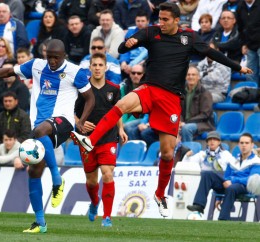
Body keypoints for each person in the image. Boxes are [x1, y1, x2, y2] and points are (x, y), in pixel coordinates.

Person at [70, 2, 252, 218]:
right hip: (149, 88)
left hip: (171, 98)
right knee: (120, 104)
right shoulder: (151, 32)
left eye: (166, 19)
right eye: (160, 19)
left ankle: (159, 194)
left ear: (177, 20)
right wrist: (130, 43)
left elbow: (212, 54)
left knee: (167, 152)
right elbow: (122, 49)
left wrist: (237, 66)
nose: (161, 23)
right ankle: (90, 140)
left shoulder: (189, 38)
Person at [0, 39, 95, 233]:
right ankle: (40, 223)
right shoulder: (36, 65)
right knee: (33, 171)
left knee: (39, 131)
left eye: (56, 58)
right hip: (41, 128)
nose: (51, 61)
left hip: (63, 122)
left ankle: (57, 179)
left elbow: (90, 98)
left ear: (64, 56)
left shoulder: (75, 72)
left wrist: (81, 122)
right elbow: (8, 72)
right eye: (49, 57)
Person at [74, 53, 127, 227]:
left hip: (108, 137)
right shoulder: (82, 89)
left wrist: (121, 129)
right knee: (91, 180)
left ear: (106, 68)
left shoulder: (114, 89)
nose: (97, 68)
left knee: (108, 173)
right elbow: (72, 112)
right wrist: (80, 124)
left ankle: (107, 216)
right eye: (94, 65)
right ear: (90, 67)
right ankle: (95, 202)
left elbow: (118, 111)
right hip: (87, 140)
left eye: (100, 65)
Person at [187, 133, 260, 220]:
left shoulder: (256, 161)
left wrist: (232, 181)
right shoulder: (234, 160)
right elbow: (226, 177)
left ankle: (223, 218)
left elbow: (252, 180)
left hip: (245, 187)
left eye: (247, 143)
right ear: (239, 144)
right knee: (207, 174)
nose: (244, 145)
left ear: (252, 145)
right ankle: (199, 205)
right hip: (230, 186)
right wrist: (218, 197)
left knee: (231, 187)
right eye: (242, 143)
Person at [180, 65, 215, 142]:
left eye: (193, 75)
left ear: (198, 77)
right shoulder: (182, 92)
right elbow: (179, 110)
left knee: (186, 128)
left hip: (203, 123)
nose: (190, 77)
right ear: (185, 77)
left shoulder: (205, 93)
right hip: (185, 122)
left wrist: (185, 123)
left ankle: (188, 152)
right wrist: (180, 122)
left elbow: (205, 114)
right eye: (188, 75)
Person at [236, 0, 260, 86]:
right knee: (250, 73)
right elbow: (240, 28)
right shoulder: (240, 6)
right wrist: (243, 43)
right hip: (249, 45)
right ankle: (252, 93)